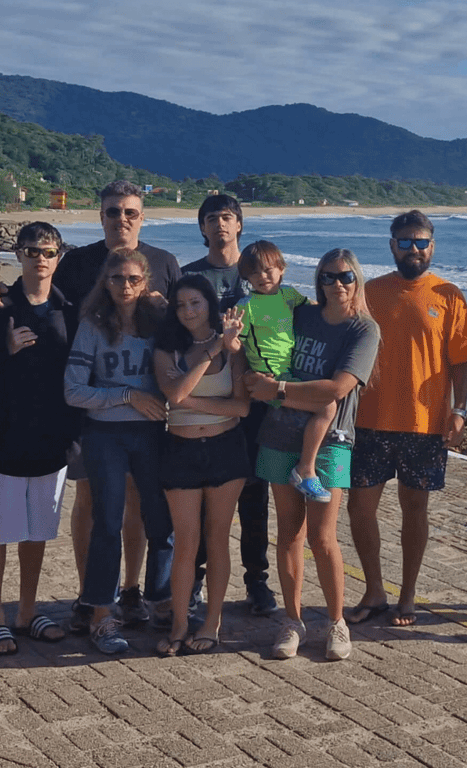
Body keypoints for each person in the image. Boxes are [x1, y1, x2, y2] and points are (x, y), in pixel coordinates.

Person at [49, 181, 180, 634]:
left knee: (144, 504)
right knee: (93, 501)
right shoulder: (77, 263)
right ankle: (91, 598)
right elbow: (45, 303)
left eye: (130, 212)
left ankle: (133, 590)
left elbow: (185, 326)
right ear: (100, 215)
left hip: (149, 419)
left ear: (142, 217)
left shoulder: (165, 262)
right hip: (94, 409)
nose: (121, 219)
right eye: (112, 211)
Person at [347, 210, 467, 628]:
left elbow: (463, 360)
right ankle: (374, 590)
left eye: (421, 242)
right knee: (359, 508)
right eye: (405, 242)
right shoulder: (370, 292)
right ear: (392, 246)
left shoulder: (448, 295)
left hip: (425, 425)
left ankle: (407, 595)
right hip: (368, 420)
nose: (414, 250)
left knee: (415, 510)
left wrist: (459, 411)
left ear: (432, 246)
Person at [246, 248, 381, 661]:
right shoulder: (301, 314)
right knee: (289, 533)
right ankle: (293, 620)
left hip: (331, 441)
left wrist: (277, 392)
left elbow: (336, 389)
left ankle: (336, 622)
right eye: (328, 277)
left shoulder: (364, 329)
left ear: (357, 279)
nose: (337, 284)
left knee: (323, 537)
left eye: (345, 277)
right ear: (318, 281)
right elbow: (261, 331)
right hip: (279, 435)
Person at [63, 248, 171, 654]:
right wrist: (127, 395)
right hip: (104, 435)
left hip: (152, 434)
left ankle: (162, 602)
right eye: (116, 279)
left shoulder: (159, 324)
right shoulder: (93, 326)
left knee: (159, 519)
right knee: (107, 521)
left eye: (133, 279)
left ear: (145, 283)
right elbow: (73, 390)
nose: (125, 286)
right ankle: (101, 614)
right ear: (104, 283)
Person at [0, 222, 78, 656]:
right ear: (18, 254)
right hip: (4, 434)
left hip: (52, 436)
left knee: (37, 531)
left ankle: (27, 611)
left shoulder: (69, 308)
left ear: (59, 257)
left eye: (49, 252)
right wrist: (5, 350)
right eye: (33, 251)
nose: (41, 259)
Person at [184, 194, 279, 616]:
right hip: (209, 398)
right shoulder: (191, 275)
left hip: (257, 402)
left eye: (227, 217)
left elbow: (292, 316)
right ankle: (194, 581)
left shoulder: (259, 272)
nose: (220, 224)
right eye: (211, 218)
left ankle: (257, 581)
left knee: (255, 496)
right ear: (202, 228)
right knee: (206, 494)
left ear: (239, 224)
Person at [152, 276, 249, 655]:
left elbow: (241, 407)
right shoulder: (167, 348)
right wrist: (212, 349)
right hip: (180, 451)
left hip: (227, 449)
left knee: (217, 537)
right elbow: (174, 392)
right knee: (186, 541)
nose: (188, 311)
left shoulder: (233, 348)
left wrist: (190, 403)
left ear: (209, 303)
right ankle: (179, 624)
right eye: (180, 305)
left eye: (195, 302)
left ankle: (212, 622)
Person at [235, 240, 335, 502]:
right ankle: (305, 470)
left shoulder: (288, 295)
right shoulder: (246, 305)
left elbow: (314, 310)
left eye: (268, 269)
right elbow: (236, 346)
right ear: (246, 277)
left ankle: (307, 467)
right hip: (269, 379)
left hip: (291, 374)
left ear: (282, 269)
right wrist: (244, 372)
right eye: (254, 272)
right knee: (327, 406)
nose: (262, 276)